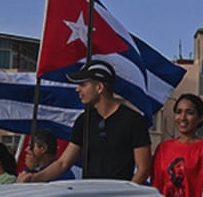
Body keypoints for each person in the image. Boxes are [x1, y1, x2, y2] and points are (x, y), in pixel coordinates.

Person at [17, 60, 152, 184]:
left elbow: (143, 169)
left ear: (99, 87)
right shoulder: (84, 121)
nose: (77, 89)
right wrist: (34, 178)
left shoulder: (133, 120)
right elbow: (63, 163)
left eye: (83, 84)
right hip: (89, 192)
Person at [152, 93, 203, 196]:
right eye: (178, 112)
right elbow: (156, 185)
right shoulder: (163, 148)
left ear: (200, 118)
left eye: (189, 113)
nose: (182, 117)